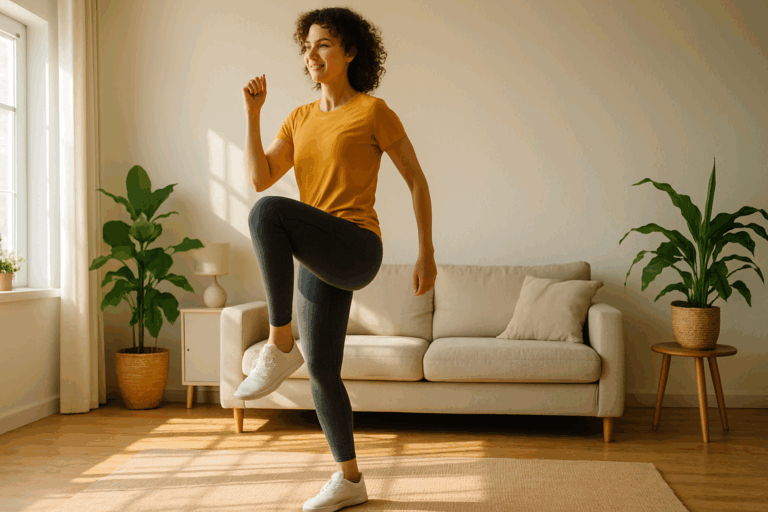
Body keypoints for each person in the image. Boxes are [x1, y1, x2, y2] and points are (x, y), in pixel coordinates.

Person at [237, 7, 437, 511]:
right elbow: (261, 177)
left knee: (267, 215)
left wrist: (426, 253)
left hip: (356, 246)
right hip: (317, 254)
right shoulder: (299, 118)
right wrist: (253, 114)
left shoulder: (373, 111)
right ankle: (350, 478)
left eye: (323, 44)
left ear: (350, 51)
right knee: (324, 371)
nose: (312, 54)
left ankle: (280, 344)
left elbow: (415, 178)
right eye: (307, 46)